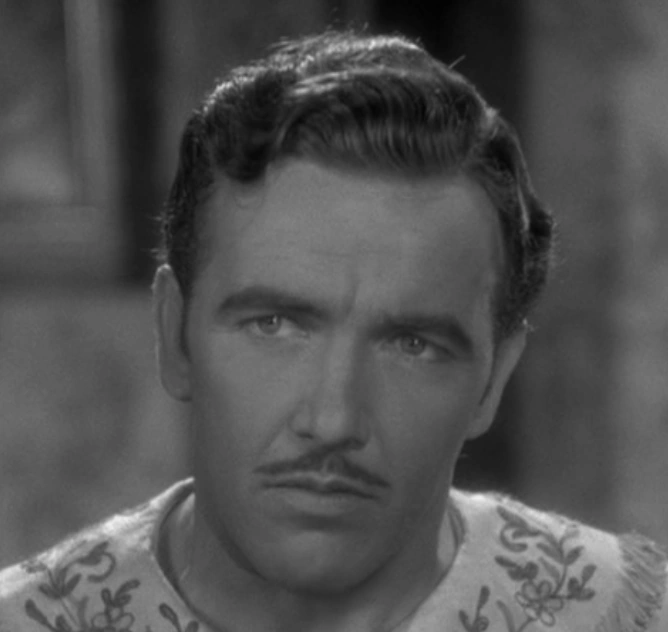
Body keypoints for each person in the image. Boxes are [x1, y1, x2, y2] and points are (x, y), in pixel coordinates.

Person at [1, 30, 666, 632]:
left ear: (493, 379)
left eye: (412, 345)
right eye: (274, 324)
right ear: (174, 335)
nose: (333, 420)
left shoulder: (615, 616)